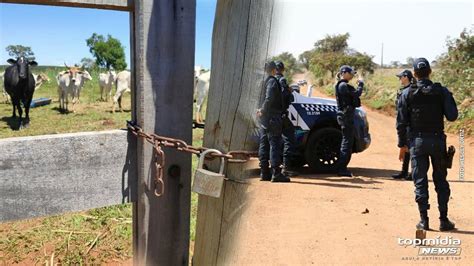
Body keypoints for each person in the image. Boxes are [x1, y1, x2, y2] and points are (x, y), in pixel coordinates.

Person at [396, 57, 458, 231]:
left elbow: (401, 122)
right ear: (430, 71)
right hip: (438, 141)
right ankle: (444, 220)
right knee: (441, 181)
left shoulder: (407, 93)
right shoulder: (441, 91)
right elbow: (452, 116)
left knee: (420, 181)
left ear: (414, 74)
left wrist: (402, 144)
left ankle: (424, 221)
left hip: (417, 142)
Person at [257, 61, 290, 183]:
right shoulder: (271, 81)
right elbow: (269, 98)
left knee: (264, 144)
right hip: (272, 117)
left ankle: (264, 172)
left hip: (265, 118)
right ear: (273, 70)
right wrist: (263, 109)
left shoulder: (263, 81)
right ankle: (276, 173)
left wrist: (261, 110)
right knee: (274, 144)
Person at [335, 65, 364, 177]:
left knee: (347, 141)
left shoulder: (344, 85)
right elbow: (356, 94)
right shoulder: (342, 85)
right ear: (344, 73)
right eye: (350, 73)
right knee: (347, 142)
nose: (352, 75)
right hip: (346, 117)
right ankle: (342, 168)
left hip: (347, 116)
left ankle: (342, 167)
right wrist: (361, 85)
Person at [274, 61, 298, 176]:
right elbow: (288, 98)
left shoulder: (269, 80)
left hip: (269, 116)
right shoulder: (281, 80)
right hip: (281, 115)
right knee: (289, 139)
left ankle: (266, 170)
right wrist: (290, 92)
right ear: (282, 69)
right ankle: (286, 168)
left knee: (271, 142)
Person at [392, 70, 415, 180]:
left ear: (406, 77)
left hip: (409, 124)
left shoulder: (410, 91)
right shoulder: (405, 90)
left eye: (401, 77)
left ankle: (412, 173)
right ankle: (404, 171)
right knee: (406, 148)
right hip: (406, 123)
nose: (400, 79)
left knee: (410, 148)